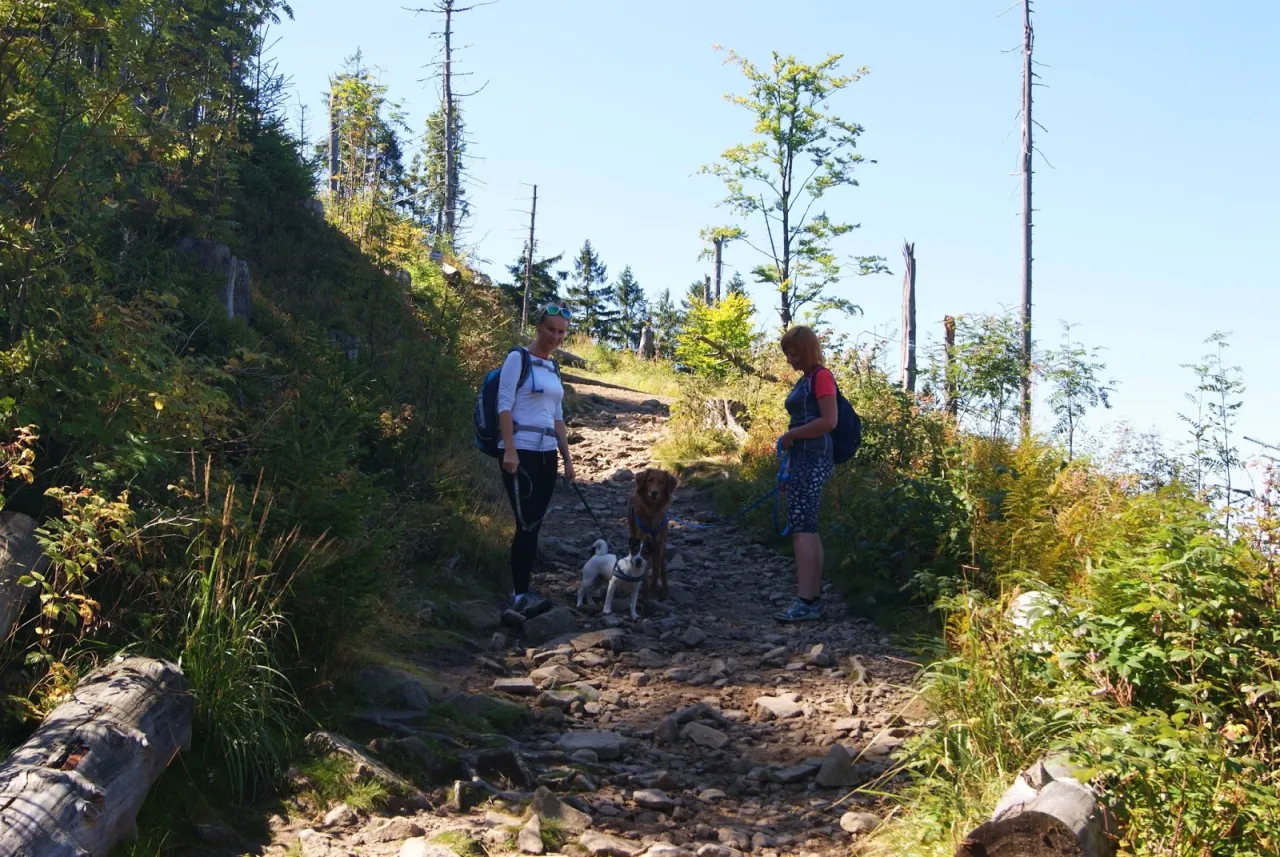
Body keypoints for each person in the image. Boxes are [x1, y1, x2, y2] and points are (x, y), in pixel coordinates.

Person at [497, 304, 576, 614]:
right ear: (538, 327)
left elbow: (557, 417)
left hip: (546, 454)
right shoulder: (518, 358)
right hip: (521, 452)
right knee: (526, 523)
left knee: (535, 523)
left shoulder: (553, 368)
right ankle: (518, 595)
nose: (555, 336)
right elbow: (504, 405)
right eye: (550, 329)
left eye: (561, 332)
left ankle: (522, 589)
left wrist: (567, 458)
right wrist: (510, 449)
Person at [775, 325, 838, 622]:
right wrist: (788, 462)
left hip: (813, 457)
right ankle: (811, 599)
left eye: (793, 352)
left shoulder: (822, 378)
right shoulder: (808, 380)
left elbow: (829, 421)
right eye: (787, 353)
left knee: (802, 529)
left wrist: (792, 436)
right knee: (806, 527)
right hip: (802, 458)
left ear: (807, 350)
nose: (789, 358)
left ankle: (805, 602)